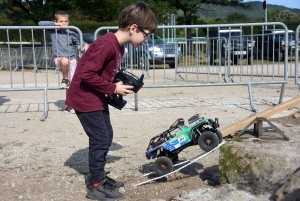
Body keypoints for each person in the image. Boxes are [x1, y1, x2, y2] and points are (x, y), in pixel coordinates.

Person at [65, 2, 157, 200]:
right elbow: (87, 74)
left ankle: (98, 176)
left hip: (95, 96)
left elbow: (101, 73)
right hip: (84, 97)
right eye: (146, 34)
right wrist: (113, 88)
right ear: (133, 28)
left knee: (106, 135)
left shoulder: (119, 47)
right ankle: (96, 185)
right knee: (100, 139)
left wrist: (116, 82)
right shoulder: (107, 44)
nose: (146, 40)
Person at [38, 11, 89, 113]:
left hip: (72, 59)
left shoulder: (71, 32)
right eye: (61, 21)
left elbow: (80, 41)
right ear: (56, 22)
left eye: (65, 21)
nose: (63, 23)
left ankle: (69, 105)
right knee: (65, 62)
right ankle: (64, 79)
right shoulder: (52, 31)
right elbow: (40, 24)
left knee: (73, 83)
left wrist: (85, 44)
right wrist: (55, 25)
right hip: (60, 59)